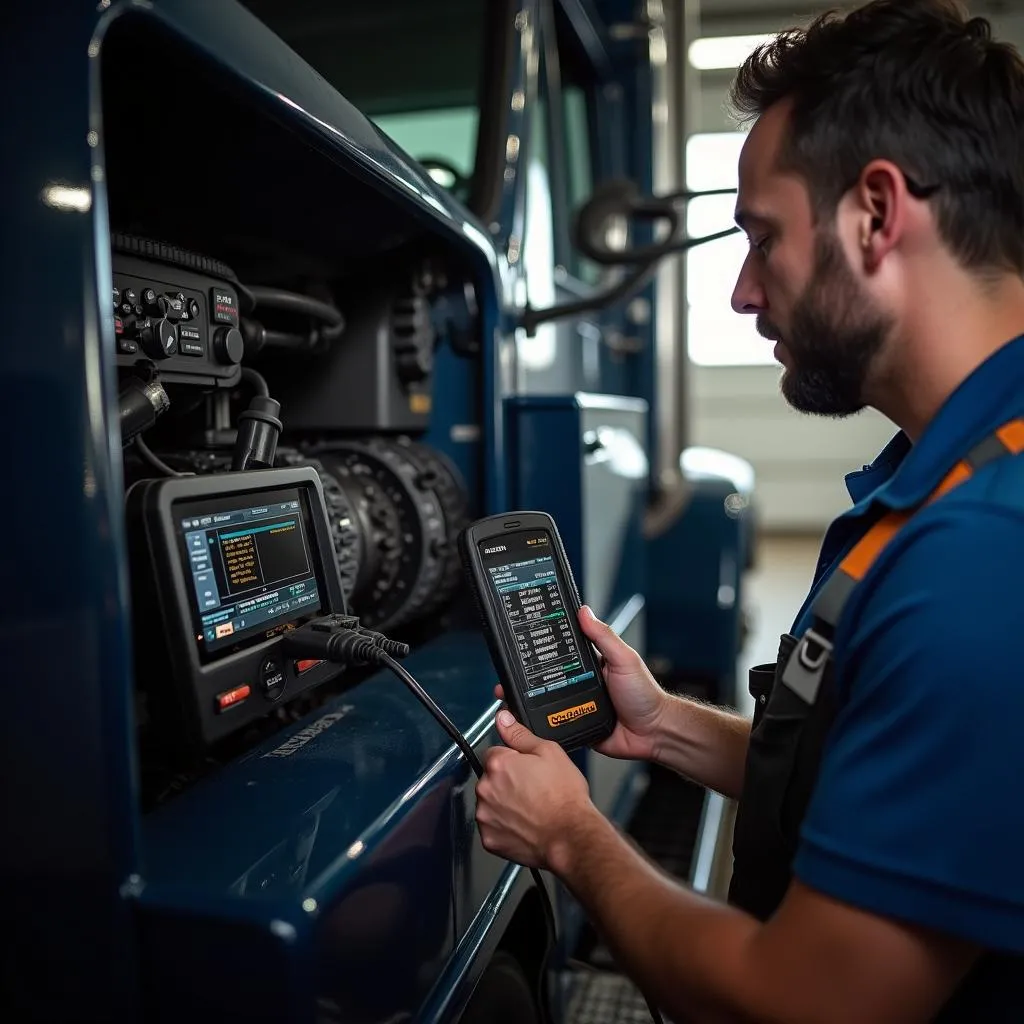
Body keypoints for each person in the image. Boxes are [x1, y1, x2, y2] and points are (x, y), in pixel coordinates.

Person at [474, 1, 1024, 1021]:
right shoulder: (951, 476)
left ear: (875, 213)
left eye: (762, 237)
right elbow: (880, 762)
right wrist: (669, 724)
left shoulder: (984, 556)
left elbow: (799, 1004)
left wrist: (571, 836)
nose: (737, 290)